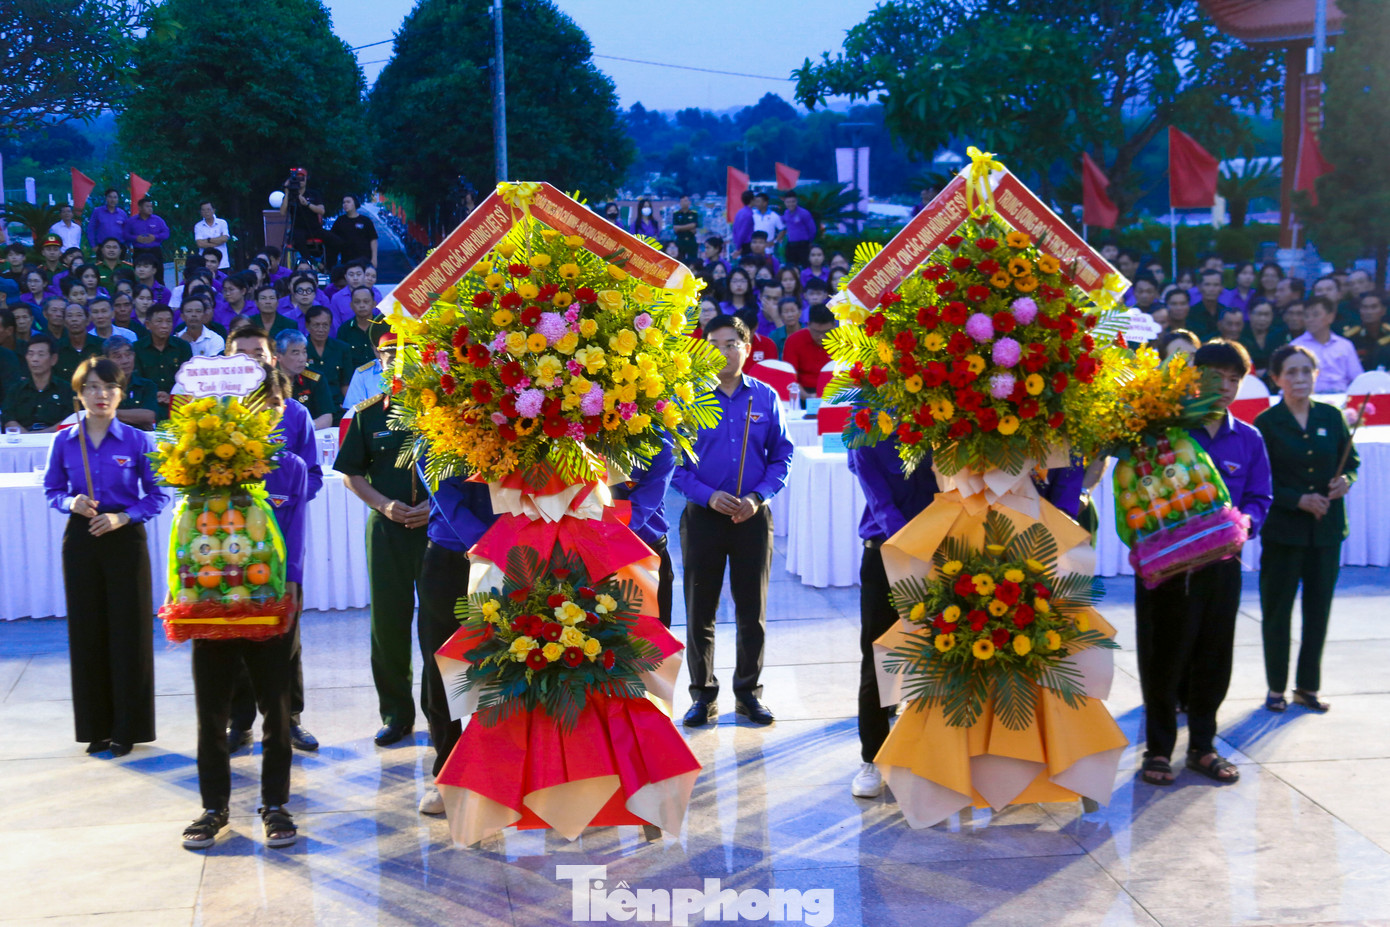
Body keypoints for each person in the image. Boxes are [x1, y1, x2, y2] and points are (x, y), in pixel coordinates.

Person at [1135, 340, 1271, 786]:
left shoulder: (1249, 439)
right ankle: (1157, 751)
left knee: (1214, 653)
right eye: (1217, 377)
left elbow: (1259, 497)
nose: (1227, 387)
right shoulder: (1163, 433)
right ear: (1195, 379)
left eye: (1235, 379)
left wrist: (1244, 523)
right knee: (1163, 656)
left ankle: (1203, 747)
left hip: (1221, 564)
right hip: (1168, 567)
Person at [182, 368, 305, 851]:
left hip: (268, 600)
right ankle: (214, 808)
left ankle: (275, 805)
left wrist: (293, 583)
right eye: (255, 403)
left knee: (275, 707)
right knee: (210, 709)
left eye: (273, 404)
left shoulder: (290, 466)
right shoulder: (204, 463)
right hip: (211, 601)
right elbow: (186, 528)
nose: (265, 412)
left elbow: (294, 529)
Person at [43, 356, 168, 757]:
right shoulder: (64, 440)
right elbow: (51, 491)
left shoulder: (136, 440)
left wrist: (122, 516)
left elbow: (158, 494)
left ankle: (128, 728)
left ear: (121, 393)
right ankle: (95, 727)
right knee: (87, 632)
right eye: (92, 387)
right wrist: (70, 503)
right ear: (79, 394)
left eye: (110, 387)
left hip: (124, 539)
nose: (102, 395)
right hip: (81, 539)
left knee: (128, 634)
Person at [673, 314, 793, 728]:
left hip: (752, 519)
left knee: (751, 611)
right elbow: (674, 466)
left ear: (747, 348)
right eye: (714, 345)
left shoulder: (765, 397)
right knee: (699, 610)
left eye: (731, 344)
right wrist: (707, 496)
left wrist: (758, 498)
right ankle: (702, 696)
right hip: (703, 518)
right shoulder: (687, 400)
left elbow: (782, 456)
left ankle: (748, 694)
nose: (723, 352)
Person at [224, 329, 322, 755]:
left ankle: (290, 719)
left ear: (271, 359)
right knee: (236, 634)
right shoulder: (216, 416)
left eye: (257, 353)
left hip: (280, 544)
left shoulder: (294, 413)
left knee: (286, 636)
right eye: (240, 353)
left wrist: (281, 501)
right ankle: (239, 722)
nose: (249, 360)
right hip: (229, 547)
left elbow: (312, 476)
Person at [1256, 344, 1359, 715]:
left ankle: (1307, 686)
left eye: (1306, 371)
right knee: (1277, 610)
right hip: (1285, 531)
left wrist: (1345, 480)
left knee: (1319, 610)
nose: (1300, 378)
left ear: (1316, 375)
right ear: (1277, 378)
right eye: (1292, 372)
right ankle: (1275, 688)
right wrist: (1296, 499)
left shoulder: (1331, 417)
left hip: (1326, 531)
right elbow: (1261, 481)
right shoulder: (1266, 424)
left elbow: (1352, 463)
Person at [335, 380, 430, 747]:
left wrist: (435, 507)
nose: (398, 362)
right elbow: (350, 473)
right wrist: (383, 504)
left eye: (406, 352)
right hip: (387, 528)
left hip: (436, 529)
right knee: (387, 625)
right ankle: (396, 715)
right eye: (390, 353)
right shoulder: (369, 413)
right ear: (380, 357)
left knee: (438, 626)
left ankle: (439, 714)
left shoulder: (442, 408)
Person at [846, 437, 938, 799]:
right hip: (886, 553)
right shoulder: (866, 428)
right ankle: (873, 757)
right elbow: (881, 502)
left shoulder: (941, 419)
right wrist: (914, 543)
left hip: (942, 552)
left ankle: (937, 754)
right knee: (879, 657)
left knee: (941, 657)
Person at [415, 468, 498, 814]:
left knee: (505, 665)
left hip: (512, 553)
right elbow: (445, 496)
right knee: (443, 666)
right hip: (452, 557)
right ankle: (448, 772)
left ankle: (498, 772)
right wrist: (490, 543)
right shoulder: (435, 421)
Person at [610, 437, 676, 627]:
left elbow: (640, 509)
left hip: (647, 555)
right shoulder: (584, 442)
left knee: (652, 644)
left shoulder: (659, 449)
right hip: (595, 555)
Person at [1291, 296, 1363, 393]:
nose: (1310, 319)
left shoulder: (1345, 345)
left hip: (1341, 396)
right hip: (1309, 398)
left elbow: (1357, 379)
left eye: (1315, 315)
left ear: (1330, 317)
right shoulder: (1296, 346)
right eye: (1306, 316)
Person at [3, 336, 73, 432]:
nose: (34, 359)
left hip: (55, 439)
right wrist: (27, 437)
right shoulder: (16, 389)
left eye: (41, 354)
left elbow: (70, 420)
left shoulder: (66, 389)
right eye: (30, 354)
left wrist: (41, 435)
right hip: (22, 441)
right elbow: (8, 418)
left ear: (53, 359)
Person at [133, 305, 192, 415]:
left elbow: (188, 379)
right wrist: (153, 393)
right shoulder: (137, 348)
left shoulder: (183, 347)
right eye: (159, 321)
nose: (164, 326)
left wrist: (171, 395)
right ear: (148, 325)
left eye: (168, 321)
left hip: (178, 402)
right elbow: (136, 379)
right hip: (146, 403)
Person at [103, 336, 159, 429]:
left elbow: (148, 416)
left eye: (128, 354)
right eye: (117, 356)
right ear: (106, 360)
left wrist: (109, 413)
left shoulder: (147, 385)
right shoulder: (101, 387)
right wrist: (135, 417)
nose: (125, 361)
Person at [781, 305, 837, 395]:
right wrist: (807, 396)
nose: (821, 337)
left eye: (826, 332)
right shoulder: (794, 340)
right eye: (816, 332)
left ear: (834, 326)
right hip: (803, 392)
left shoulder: (844, 341)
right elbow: (789, 376)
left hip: (836, 391)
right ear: (808, 325)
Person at [303, 305, 353, 399]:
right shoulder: (301, 349)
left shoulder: (342, 348)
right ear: (307, 326)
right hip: (310, 401)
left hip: (336, 402)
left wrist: (348, 405)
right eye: (316, 325)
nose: (321, 330)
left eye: (325, 325)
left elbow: (346, 383)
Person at [1240, 298, 1288, 386]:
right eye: (1259, 314)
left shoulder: (1278, 335)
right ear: (1249, 314)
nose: (1263, 318)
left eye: (1267, 315)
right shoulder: (1241, 335)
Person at [1343, 291, 1390, 371]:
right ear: (1360, 310)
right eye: (1365, 307)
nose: (1369, 312)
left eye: (1374, 307)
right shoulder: (1351, 337)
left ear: (1383, 311)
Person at [56, 303, 103, 383]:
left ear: (88, 320)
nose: (74, 319)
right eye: (70, 316)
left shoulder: (101, 345)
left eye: (79, 315)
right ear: (64, 322)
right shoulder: (57, 349)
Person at [331, 195, 379, 266]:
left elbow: (373, 240)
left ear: (355, 203)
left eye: (348, 202)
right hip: (346, 260)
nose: (345, 204)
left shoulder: (365, 220)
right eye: (344, 202)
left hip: (364, 259)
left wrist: (374, 258)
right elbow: (332, 239)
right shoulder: (340, 221)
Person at [125, 197, 170, 266]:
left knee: (158, 274)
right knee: (139, 274)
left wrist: (155, 237)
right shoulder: (131, 221)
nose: (150, 208)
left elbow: (166, 233)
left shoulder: (158, 220)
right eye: (147, 206)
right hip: (139, 251)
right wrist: (136, 238)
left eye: (151, 206)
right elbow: (125, 234)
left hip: (155, 251)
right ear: (140, 208)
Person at [781, 191, 816, 267]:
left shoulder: (804, 213)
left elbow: (812, 229)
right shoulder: (786, 213)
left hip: (803, 245)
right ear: (785, 202)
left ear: (797, 201)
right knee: (790, 267)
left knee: (806, 267)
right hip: (791, 245)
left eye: (793, 201)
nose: (791, 204)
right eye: (788, 202)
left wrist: (809, 242)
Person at [1187, 269, 1225, 340]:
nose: (1211, 289)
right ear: (1199, 287)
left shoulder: (1225, 312)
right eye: (1207, 284)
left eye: (1216, 285)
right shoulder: (1191, 313)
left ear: (1221, 287)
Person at [87, 189, 128, 254]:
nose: (112, 200)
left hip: (119, 247)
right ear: (106, 198)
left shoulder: (122, 213)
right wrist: (93, 245)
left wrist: (127, 245)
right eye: (110, 197)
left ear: (117, 199)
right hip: (102, 246)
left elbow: (127, 230)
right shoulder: (97, 212)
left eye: (115, 197)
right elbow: (91, 229)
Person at [193, 201, 231, 269]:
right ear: (201, 212)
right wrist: (218, 242)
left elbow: (224, 238)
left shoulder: (222, 223)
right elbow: (200, 244)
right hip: (205, 264)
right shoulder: (198, 226)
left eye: (208, 209)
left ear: (214, 210)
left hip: (222, 263)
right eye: (203, 210)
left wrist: (208, 240)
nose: (206, 212)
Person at [669, 195, 699, 264]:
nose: (684, 203)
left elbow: (694, 225)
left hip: (691, 240)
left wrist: (681, 227)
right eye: (682, 201)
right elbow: (676, 228)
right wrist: (689, 227)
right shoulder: (676, 214)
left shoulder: (694, 214)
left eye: (686, 201)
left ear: (689, 202)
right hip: (680, 241)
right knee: (679, 260)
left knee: (693, 261)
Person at [730, 190, 754, 257]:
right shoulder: (749, 214)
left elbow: (734, 229)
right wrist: (738, 247)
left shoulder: (739, 212)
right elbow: (743, 231)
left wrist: (737, 243)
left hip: (739, 242)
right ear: (752, 200)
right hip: (746, 244)